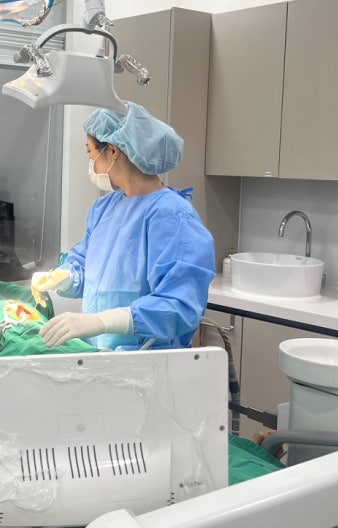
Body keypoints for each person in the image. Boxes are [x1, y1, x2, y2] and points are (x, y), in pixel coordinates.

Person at [33, 103, 215, 352]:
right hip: (100, 355)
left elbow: (180, 306)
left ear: (113, 151)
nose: (91, 164)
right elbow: (90, 270)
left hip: (147, 360)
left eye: (90, 153)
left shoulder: (172, 216)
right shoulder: (104, 208)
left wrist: (102, 321)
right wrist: (63, 278)